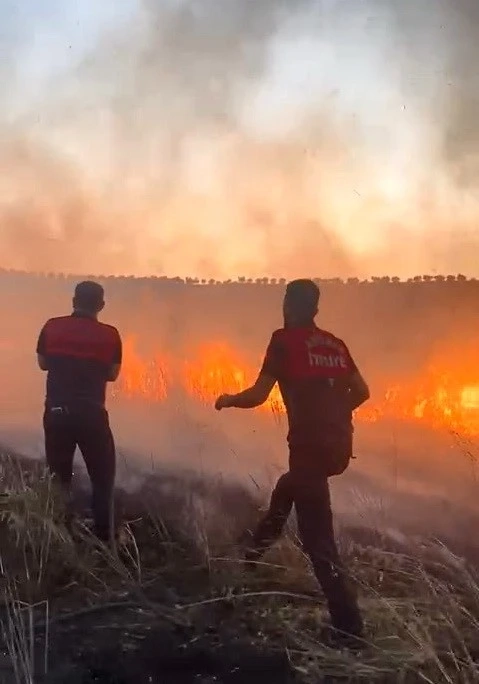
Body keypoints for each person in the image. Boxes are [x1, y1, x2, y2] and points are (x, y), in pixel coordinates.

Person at [215, 278, 370, 643]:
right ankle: (251, 556)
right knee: (286, 491)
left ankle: (349, 628)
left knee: (319, 541)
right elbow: (363, 392)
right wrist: (335, 412)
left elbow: (257, 395)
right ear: (315, 309)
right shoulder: (335, 344)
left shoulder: (283, 341)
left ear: (288, 304)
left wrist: (227, 399)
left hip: (309, 448)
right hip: (338, 447)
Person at [36, 281, 122, 543]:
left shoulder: (52, 326)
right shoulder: (110, 335)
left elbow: (42, 363)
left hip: (57, 412)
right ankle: (105, 541)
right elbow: (112, 374)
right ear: (101, 305)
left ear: (74, 300)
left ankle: (59, 536)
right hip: (92, 415)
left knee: (59, 479)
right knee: (103, 478)